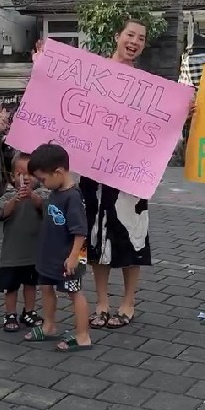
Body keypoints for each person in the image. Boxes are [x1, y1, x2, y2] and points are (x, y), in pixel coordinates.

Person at [80, 19, 151, 330]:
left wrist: (183, 112)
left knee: (131, 236)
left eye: (141, 38)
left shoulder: (148, 86)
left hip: (131, 173)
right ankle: (102, 303)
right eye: (130, 35)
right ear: (117, 36)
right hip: (93, 169)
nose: (134, 41)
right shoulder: (94, 74)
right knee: (96, 236)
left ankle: (129, 301)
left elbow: (159, 124)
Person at [25, 143, 91, 351]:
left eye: (43, 179)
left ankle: (83, 335)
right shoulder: (56, 191)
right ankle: (49, 325)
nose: (43, 184)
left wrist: (73, 257)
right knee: (45, 287)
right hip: (50, 254)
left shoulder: (72, 197)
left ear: (59, 172)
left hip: (68, 257)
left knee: (74, 293)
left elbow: (80, 231)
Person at [0, 153, 45, 332]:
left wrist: (32, 196)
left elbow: (43, 207)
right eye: (19, 174)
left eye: (29, 174)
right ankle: (10, 313)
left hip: (33, 252)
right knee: (11, 286)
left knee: (31, 284)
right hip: (12, 253)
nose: (24, 179)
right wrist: (15, 200)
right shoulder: (7, 195)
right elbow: (2, 213)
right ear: (11, 176)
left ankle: (29, 311)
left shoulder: (41, 194)